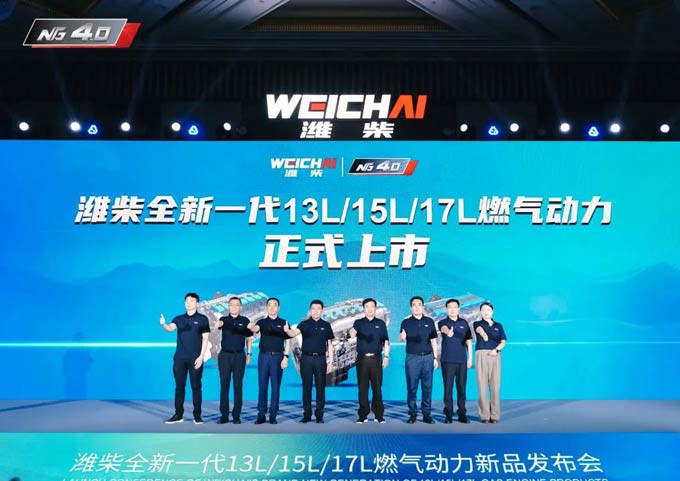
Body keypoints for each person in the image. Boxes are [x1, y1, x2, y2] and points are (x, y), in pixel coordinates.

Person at [159, 292, 210, 424]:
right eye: (187, 301)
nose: (189, 303)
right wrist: (163, 324)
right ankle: (178, 415)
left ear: (197, 303)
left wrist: (201, 357)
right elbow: (170, 328)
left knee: (196, 387)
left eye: (192, 301)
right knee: (179, 387)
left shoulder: (203, 319)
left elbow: (205, 339)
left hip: (195, 359)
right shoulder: (179, 318)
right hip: (180, 359)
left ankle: (197, 416)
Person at [285, 299, 334, 423]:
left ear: (322, 310)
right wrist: (287, 330)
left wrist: (331, 362)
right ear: (310, 310)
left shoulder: (326, 325)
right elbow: (293, 333)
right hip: (306, 359)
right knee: (306, 387)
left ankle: (319, 415)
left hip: (321, 359)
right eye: (313, 309)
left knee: (320, 388)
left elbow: (330, 345)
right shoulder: (304, 324)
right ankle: (307, 415)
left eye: (318, 309)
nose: (315, 311)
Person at [247, 297, 291, 424]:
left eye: (274, 305)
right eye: (269, 305)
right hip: (263, 357)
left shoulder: (284, 322)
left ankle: (273, 414)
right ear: (266, 307)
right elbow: (255, 329)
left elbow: (288, 342)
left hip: (278, 357)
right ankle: (261, 414)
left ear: (278, 308)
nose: (272, 307)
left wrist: (286, 357)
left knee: (275, 387)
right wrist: (252, 327)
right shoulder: (261, 322)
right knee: (262, 386)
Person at [349, 298, 390, 424]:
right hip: (362, 359)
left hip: (376, 359)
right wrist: (352, 332)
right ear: (364, 308)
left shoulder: (381, 323)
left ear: (375, 308)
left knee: (377, 387)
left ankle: (379, 415)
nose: (370, 309)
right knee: (363, 388)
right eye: (367, 306)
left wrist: (386, 357)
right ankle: (363, 415)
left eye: (372, 306)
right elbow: (352, 334)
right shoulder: (358, 322)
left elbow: (386, 341)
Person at [399, 295, 438, 424]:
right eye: (414, 305)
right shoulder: (406, 322)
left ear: (423, 306)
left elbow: (433, 340)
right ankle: (412, 414)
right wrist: (402, 336)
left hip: (428, 358)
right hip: (412, 358)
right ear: (411, 307)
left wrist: (435, 357)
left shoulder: (430, 321)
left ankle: (427, 414)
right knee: (412, 388)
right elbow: (401, 337)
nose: (417, 307)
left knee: (427, 388)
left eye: (419, 304)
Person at [214, 296, 253, 424]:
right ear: (228, 306)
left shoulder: (245, 320)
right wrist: (217, 324)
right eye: (232, 305)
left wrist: (249, 354)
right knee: (224, 385)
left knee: (238, 385)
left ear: (240, 307)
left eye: (237, 305)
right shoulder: (223, 319)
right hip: (225, 356)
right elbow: (219, 324)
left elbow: (248, 339)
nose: (234, 307)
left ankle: (236, 416)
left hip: (239, 356)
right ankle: (224, 415)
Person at [438, 299, 472, 424]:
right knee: (448, 388)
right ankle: (448, 414)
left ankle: (462, 413)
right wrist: (448, 332)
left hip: (462, 361)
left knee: (461, 388)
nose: (452, 309)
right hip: (447, 361)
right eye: (449, 307)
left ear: (458, 309)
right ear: (446, 309)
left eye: (454, 307)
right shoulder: (443, 322)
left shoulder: (464, 323)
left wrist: (470, 358)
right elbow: (443, 328)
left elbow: (468, 341)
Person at [473, 301, 507, 424]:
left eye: (488, 310)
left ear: (492, 311)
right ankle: (484, 416)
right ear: (480, 312)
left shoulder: (499, 325)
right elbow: (479, 329)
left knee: (495, 387)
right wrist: (484, 334)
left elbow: (503, 341)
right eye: (483, 310)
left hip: (495, 355)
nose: (486, 312)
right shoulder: (477, 323)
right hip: (482, 354)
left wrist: (496, 350)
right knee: (482, 386)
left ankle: (495, 416)